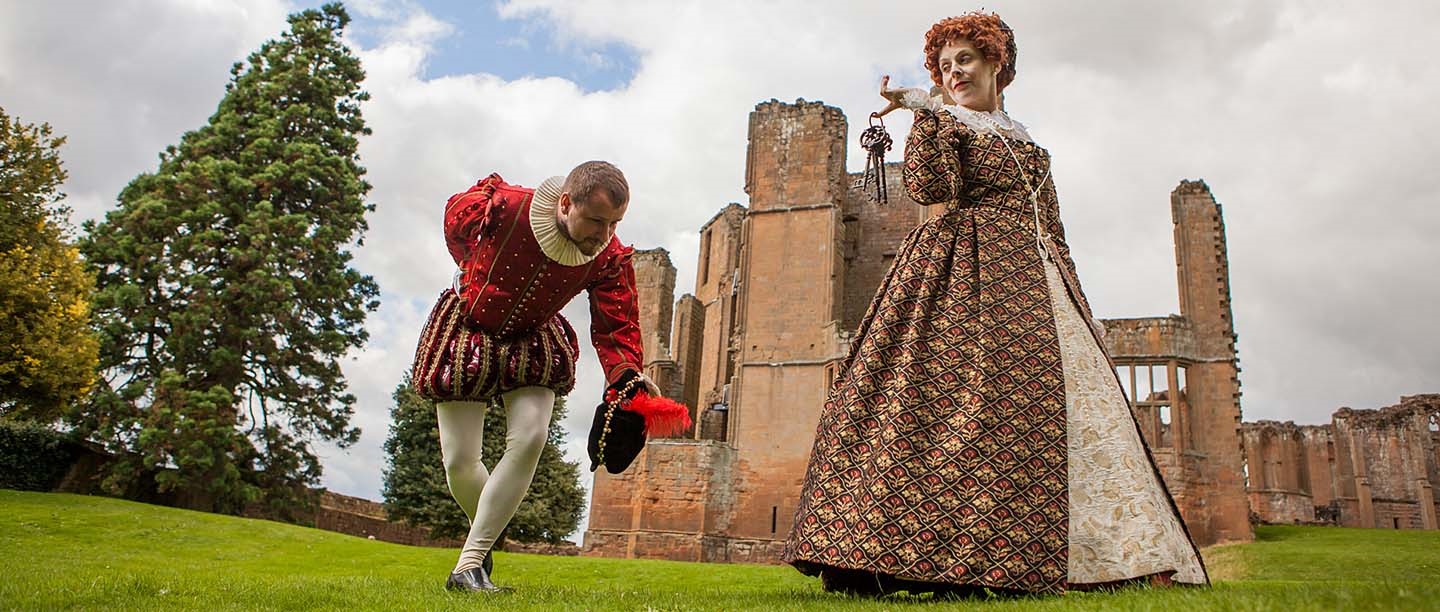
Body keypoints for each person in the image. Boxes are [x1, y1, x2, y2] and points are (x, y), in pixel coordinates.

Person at [783, 11, 1209, 596]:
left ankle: (1092, 559)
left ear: (996, 64)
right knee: (950, 404)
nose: (954, 72)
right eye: (944, 64)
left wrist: (1077, 302)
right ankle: (932, 557)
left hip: (1037, 279)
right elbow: (930, 188)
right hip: (963, 269)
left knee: (1044, 411)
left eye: (966, 60)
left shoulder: (1029, 139)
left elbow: (1053, 226)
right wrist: (928, 114)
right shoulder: (945, 122)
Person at [411, 161, 651, 593]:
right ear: (565, 203)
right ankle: (480, 544)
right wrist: (472, 268)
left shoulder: (609, 258)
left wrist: (626, 376)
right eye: (596, 220)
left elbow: (616, 325)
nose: (604, 233)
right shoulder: (503, 207)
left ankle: (466, 567)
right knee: (460, 461)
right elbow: (455, 221)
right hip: (468, 330)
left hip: (533, 342)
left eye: (614, 223)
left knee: (530, 437)